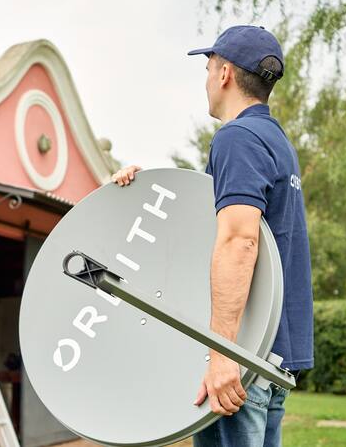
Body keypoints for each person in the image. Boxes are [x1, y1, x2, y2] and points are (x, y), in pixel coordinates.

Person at [111, 26, 313, 447]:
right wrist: (147, 192)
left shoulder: (236, 138)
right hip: (272, 359)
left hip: (242, 363)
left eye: (207, 68)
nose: (205, 79)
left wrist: (222, 356)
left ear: (223, 74)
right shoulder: (274, 141)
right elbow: (217, 231)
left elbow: (240, 243)